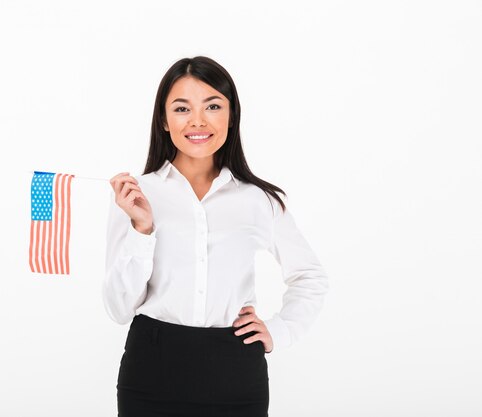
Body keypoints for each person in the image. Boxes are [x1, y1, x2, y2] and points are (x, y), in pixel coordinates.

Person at [103, 55, 330, 417]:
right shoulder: (135, 196)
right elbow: (118, 309)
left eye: (212, 105)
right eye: (181, 108)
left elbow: (310, 276)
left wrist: (279, 331)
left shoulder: (259, 200)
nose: (197, 120)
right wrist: (142, 230)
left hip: (235, 372)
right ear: (163, 119)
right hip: (151, 369)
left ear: (231, 115)